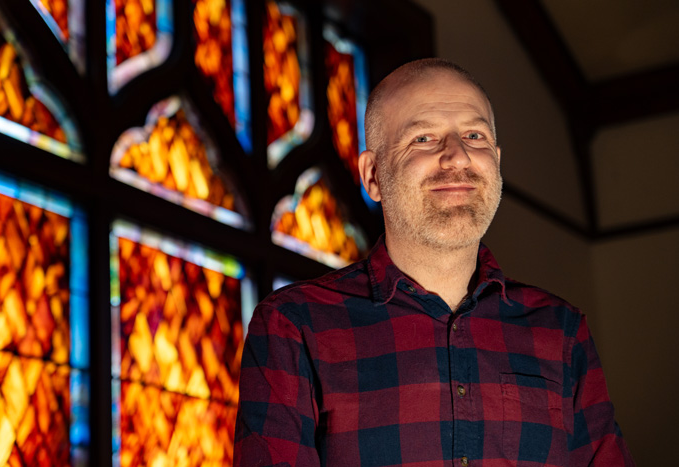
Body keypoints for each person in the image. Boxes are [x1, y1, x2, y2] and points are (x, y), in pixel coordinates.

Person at [233, 58, 634, 466]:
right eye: (424, 138)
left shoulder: (562, 332)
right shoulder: (294, 325)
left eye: (474, 136)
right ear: (373, 176)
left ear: (496, 161)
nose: (457, 156)